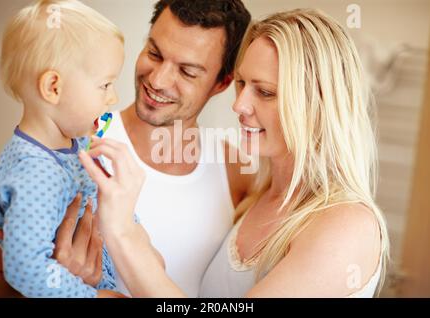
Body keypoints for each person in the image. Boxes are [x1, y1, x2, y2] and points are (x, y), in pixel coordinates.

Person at [79, 8, 390, 298]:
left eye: (265, 92)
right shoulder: (257, 200)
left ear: (319, 106)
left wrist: (122, 232)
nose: (238, 105)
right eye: (242, 84)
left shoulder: (346, 224)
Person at [0, 0, 252, 298]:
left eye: (187, 71)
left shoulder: (237, 172)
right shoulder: (70, 141)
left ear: (221, 83)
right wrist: (65, 280)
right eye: (154, 53)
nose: (158, 80)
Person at [0, 0, 126, 297]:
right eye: (105, 85)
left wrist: (138, 243)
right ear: (53, 87)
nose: (113, 97)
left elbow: (99, 202)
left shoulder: (71, 144)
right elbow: (26, 269)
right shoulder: (36, 173)